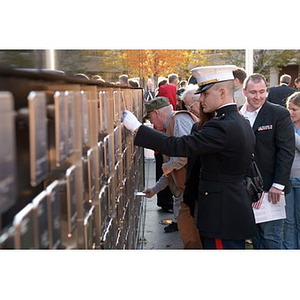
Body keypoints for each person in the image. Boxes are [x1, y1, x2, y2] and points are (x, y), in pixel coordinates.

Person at [123, 65, 257, 249]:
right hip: (227, 210)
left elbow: (180, 145)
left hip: (221, 215)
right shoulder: (237, 121)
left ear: (223, 92)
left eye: (205, 94)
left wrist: (138, 129)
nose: (200, 99)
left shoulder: (222, 126)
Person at [240, 73, 295, 249]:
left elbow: (286, 151)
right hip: (242, 190)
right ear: (244, 92)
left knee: (271, 237)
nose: (258, 97)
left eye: (262, 91)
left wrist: (278, 185)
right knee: (253, 235)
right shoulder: (237, 115)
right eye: (253, 92)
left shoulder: (278, 114)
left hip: (271, 190)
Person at [142, 96, 198, 236]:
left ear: (156, 113)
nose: (152, 123)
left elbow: (184, 154)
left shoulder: (179, 119)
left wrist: (169, 166)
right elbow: (171, 171)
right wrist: (155, 189)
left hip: (194, 191)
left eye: (150, 118)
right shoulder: (172, 125)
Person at [283, 92, 300, 249]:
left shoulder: (289, 129)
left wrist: (291, 135)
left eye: (294, 109)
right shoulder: (285, 125)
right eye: (288, 108)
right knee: (288, 222)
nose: (290, 112)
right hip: (287, 179)